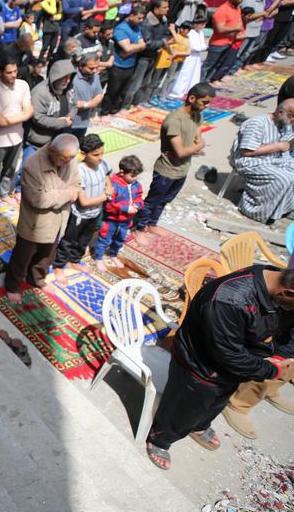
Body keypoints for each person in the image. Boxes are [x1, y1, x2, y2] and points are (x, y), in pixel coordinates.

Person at [145, 265, 294, 471]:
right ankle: (160, 439)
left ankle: (199, 426)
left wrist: (280, 356)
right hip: (200, 365)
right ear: (287, 292)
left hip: (236, 366)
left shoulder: (279, 285)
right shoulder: (229, 299)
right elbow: (229, 355)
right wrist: (271, 370)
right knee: (184, 408)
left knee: (218, 401)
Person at [132, 83, 215, 242]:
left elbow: (198, 133)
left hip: (182, 169)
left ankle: (152, 224)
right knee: (152, 201)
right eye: (204, 102)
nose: (207, 106)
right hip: (166, 170)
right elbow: (181, 152)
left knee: (165, 200)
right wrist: (198, 146)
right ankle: (140, 228)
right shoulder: (175, 120)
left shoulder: (197, 114)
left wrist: (197, 143)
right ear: (192, 98)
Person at [3, 134, 81, 303]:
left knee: (47, 255)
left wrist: (58, 194)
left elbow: (76, 184)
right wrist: (67, 194)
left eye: (70, 159)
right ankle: (13, 285)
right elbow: (39, 199)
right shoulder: (32, 165)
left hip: (60, 218)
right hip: (36, 222)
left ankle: (36, 279)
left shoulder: (70, 159)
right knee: (23, 256)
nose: (67, 163)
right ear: (52, 150)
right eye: (63, 159)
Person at [51, 133, 112, 283]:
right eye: (96, 154)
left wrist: (109, 187)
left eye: (102, 153)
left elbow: (108, 178)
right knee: (68, 240)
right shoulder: (79, 171)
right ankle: (59, 265)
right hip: (79, 215)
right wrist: (105, 197)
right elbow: (84, 202)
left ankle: (75, 260)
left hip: (95, 213)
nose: (100, 158)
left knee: (84, 240)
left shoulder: (102, 164)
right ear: (84, 154)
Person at [0, 59, 33, 213]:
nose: (13, 75)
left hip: (17, 136)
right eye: (9, 72)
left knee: (10, 169)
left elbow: (29, 111)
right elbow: (0, 122)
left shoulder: (23, 85)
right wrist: (21, 115)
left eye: (15, 71)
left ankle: (4, 194)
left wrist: (8, 119)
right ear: (0, 72)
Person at [230, 100, 294, 224]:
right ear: (281, 112)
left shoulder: (284, 124)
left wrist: (279, 148)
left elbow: (285, 145)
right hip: (250, 162)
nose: (292, 121)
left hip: (273, 159)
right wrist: (278, 146)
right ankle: (258, 212)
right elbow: (247, 151)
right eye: (292, 117)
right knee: (283, 179)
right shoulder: (258, 122)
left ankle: (280, 209)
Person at [92, 155, 144, 272]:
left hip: (126, 220)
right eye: (132, 176)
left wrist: (138, 205)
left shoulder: (136, 185)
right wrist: (126, 209)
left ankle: (113, 254)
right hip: (111, 220)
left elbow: (139, 198)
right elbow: (109, 205)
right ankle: (98, 258)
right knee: (105, 238)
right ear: (122, 172)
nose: (135, 178)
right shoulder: (113, 185)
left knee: (120, 238)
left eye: (136, 176)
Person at [99, 6, 146, 116]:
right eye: (139, 18)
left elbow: (143, 45)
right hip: (118, 64)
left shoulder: (137, 27)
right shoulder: (121, 29)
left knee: (123, 91)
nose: (141, 21)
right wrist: (135, 47)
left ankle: (115, 110)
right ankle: (104, 112)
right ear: (131, 15)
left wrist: (131, 49)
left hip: (130, 63)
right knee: (112, 91)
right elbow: (127, 48)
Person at [126, 0, 172, 108]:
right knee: (136, 83)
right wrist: (163, 42)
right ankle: (126, 105)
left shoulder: (163, 20)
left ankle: (138, 101)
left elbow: (165, 34)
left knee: (146, 81)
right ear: (156, 9)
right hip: (144, 56)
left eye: (167, 7)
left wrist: (163, 42)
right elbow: (148, 43)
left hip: (155, 54)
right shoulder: (147, 23)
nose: (167, 9)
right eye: (164, 7)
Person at [202, 0, 247, 84]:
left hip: (230, 42)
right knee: (209, 65)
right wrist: (236, 28)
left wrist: (240, 32)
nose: (243, 0)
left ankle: (209, 80)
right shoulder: (222, 10)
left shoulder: (237, 9)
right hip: (218, 44)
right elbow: (220, 29)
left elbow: (238, 22)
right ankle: (200, 83)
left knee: (219, 64)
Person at [167, 20, 206, 99]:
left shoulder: (190, 37)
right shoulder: (180, 36)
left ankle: (181, 90)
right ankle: (169, 92)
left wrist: (178, 53)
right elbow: (175, 44)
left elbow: (190, 50)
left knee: (178, 75)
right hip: (176, 59)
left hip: (184, 58)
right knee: (171, 76)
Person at [71, 53, 104, 139]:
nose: (95, 71)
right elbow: (67, 102)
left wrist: (92, 103)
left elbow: (99, 93)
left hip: (84, 121)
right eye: (91, 68)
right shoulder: (71, 78)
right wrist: (88, 105)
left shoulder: (95, 76)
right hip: (70, 124)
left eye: (97, 67)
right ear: (81, 66)